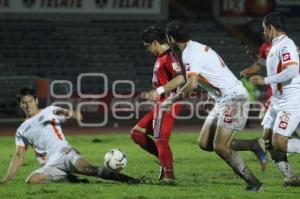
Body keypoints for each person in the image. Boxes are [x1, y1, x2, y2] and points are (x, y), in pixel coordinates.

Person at [163, 20, 264, 191]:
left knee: (221, 147)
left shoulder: (189, 54)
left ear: (171, 39)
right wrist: (213, 96)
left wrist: (172, 100)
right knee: (205, 143)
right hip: (223, 98)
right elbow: (214, 72)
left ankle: (254, 183)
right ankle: (253, 145)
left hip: (234, 98)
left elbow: (192, 83)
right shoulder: (196, 47)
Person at [0, 87, 141, 184]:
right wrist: (6, 179)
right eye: (24, 102)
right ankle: (69, 178)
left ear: (36, 100)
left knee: (87, 169)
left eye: (30, 101)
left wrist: (67, 113)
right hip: (49, 164)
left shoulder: (50, 110)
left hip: (64, 152)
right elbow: (19, 156)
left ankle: (129, 180)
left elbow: (77, 115)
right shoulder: (21, 130)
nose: (28, 105)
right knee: (32, 180)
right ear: (20, 105)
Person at [250, 12, 300, 186]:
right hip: (277, 101)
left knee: (279, 142)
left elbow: (292, 70)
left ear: (270, 28)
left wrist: (265, 80)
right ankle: (291, 178)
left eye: (264, 29)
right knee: (268, 140)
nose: (263, 33)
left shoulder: (286, 45)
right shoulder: (274, 47)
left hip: (291, 100)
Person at [130, 26, 185, 184]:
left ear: (155, 42)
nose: (147, 50)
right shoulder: (161, 57)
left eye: (148, 46)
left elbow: (180, 79)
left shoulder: (169, 57)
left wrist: (159, 91)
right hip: (161, 103)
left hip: (167, 104)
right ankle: (164, 159)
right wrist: (153, 93)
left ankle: (169, 177)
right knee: (136, 133)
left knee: (160, 138)